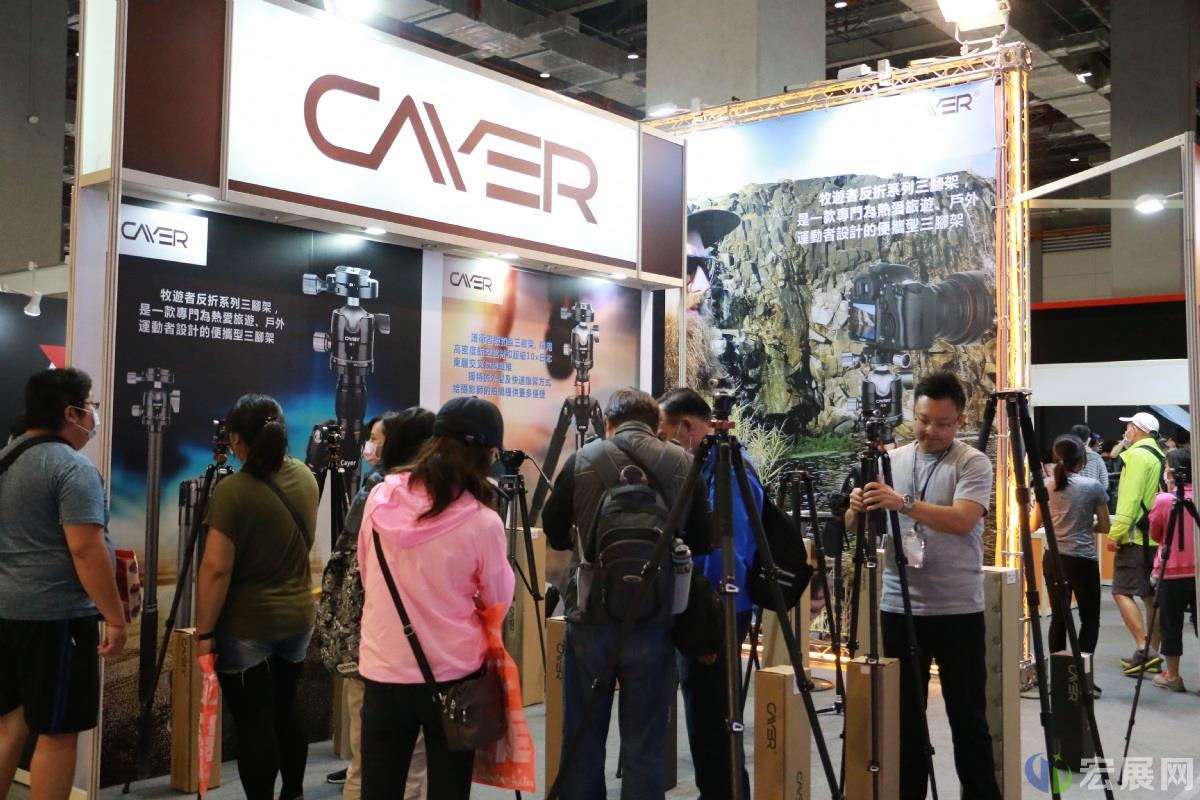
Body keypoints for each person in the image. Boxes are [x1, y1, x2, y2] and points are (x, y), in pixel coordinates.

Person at [543, 387, 713, 799]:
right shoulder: (681, 462)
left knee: (582, 734)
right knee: (645, 741)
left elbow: (553, 529)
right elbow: (703, 539)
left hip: (590, 617)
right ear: (656, 425)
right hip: (654, 619)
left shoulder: (583, 459)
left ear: (608, 423)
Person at [847, 371, 1001, 800]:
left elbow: (964, 519)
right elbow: (854, 525)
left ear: (960, 420)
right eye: (923, 419)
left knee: (969, 720)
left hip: (958, 610)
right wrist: (857, 508)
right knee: (905, 723)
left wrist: (903, 503)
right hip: (900, 608)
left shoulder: (972, 462)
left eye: (942, 423)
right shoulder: (891, 461)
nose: (930, 430)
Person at [357, 397, 514, 800]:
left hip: (384, 667)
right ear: (487, 455)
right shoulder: (483, 522)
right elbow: (498, 601)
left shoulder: (380, 498)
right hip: (453, 676)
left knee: (378, 788)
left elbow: (366, 570)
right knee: (449, 788)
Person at [0, 368, 125, 800]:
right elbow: (86, 550)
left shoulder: (6, 457)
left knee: (9, 724)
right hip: (56, 619)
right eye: (90, 406)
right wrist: (115, 617)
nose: (93, 416)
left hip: (6, 612)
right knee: (58, 732)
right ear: (71, 412)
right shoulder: (72, 468)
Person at [195, 394, 319, 800]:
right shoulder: (305, 477)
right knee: (286, 709)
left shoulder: (232, 492)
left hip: (246, 625)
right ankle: (294, 793)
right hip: (298, 619)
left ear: (236, 439)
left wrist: (204, 633)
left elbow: (216, 569)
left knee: (254, 723)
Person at [323, 408, 435, 798]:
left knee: (369, 764)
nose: (370, 446)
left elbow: (355, 566)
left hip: (375, 647)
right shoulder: (443, 500)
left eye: (377, 439)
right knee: (411, 769)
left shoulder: (376, 494)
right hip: (420, 656)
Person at [658, 387, 760, 800]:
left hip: (717, 609)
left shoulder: (728, 472)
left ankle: (723, 793)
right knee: (705, 712)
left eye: (664, 434)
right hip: (707, 604)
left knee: (712, 715)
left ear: (687, 427)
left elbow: (726, 551)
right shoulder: (703, 470)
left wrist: (704, 627)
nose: (662, 444)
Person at [1031, 435, 1109, 689]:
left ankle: (1059, 681)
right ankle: (1081, 679)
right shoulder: (1093, 487)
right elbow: (1105, 526)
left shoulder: (1045, 485)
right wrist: (1084, 526)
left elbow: (1033, 524)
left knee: (1059, 619)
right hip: (1083, 562)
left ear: (1056, 457)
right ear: (1082, 460)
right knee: (1090, 620)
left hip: (1053, 560)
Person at [1108, 411, 1167, 675]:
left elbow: (1129, 499)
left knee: (1121, 590)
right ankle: (1152, 653)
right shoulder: (1159, 455)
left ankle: (1144, 650)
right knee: (1150, 597)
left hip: (1134, 538)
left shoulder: (1136, 456)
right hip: (1154, 536)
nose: (1126, 431)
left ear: (1137, 429)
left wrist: (1116, 533)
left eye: (1129, 426)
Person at [1146, 447, 1198, 692]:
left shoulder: (1164, 500)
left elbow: (1156, 534)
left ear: (1172, 473)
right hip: (1198, 572)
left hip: (1172, 572)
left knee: (1170, 624)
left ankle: (1173, 676)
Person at [1071, 424, 1111, 489]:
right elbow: (1105, 484)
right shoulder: (1097, 458)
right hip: (1092, 494)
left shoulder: (1065, 457)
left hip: (1071, 495)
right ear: (1088, 439)